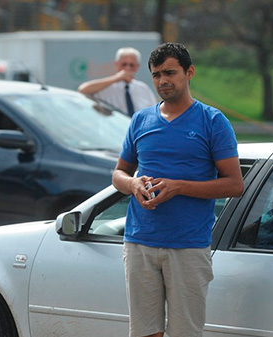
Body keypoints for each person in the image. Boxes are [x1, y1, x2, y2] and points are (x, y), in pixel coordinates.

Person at [111, 43, 244, 337]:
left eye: (170, 73)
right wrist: (133, 184)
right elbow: (118, 173)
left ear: (189, 73)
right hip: (139, 241)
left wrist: (178, 187)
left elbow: (235, 184)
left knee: (185, 332)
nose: (162, 81)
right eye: (156, 75)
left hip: (188, 245)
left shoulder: (212, 121)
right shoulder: (141, 120)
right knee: (145, 332)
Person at [78, 47, 157, 116]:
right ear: (116, 64)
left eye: (131, 65)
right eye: (124, 64)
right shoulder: (107, 87)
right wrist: (117, 78)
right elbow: (83, 89)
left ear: (137, 66)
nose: (127, 68)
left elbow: (154, 112)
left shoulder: (143, 89)